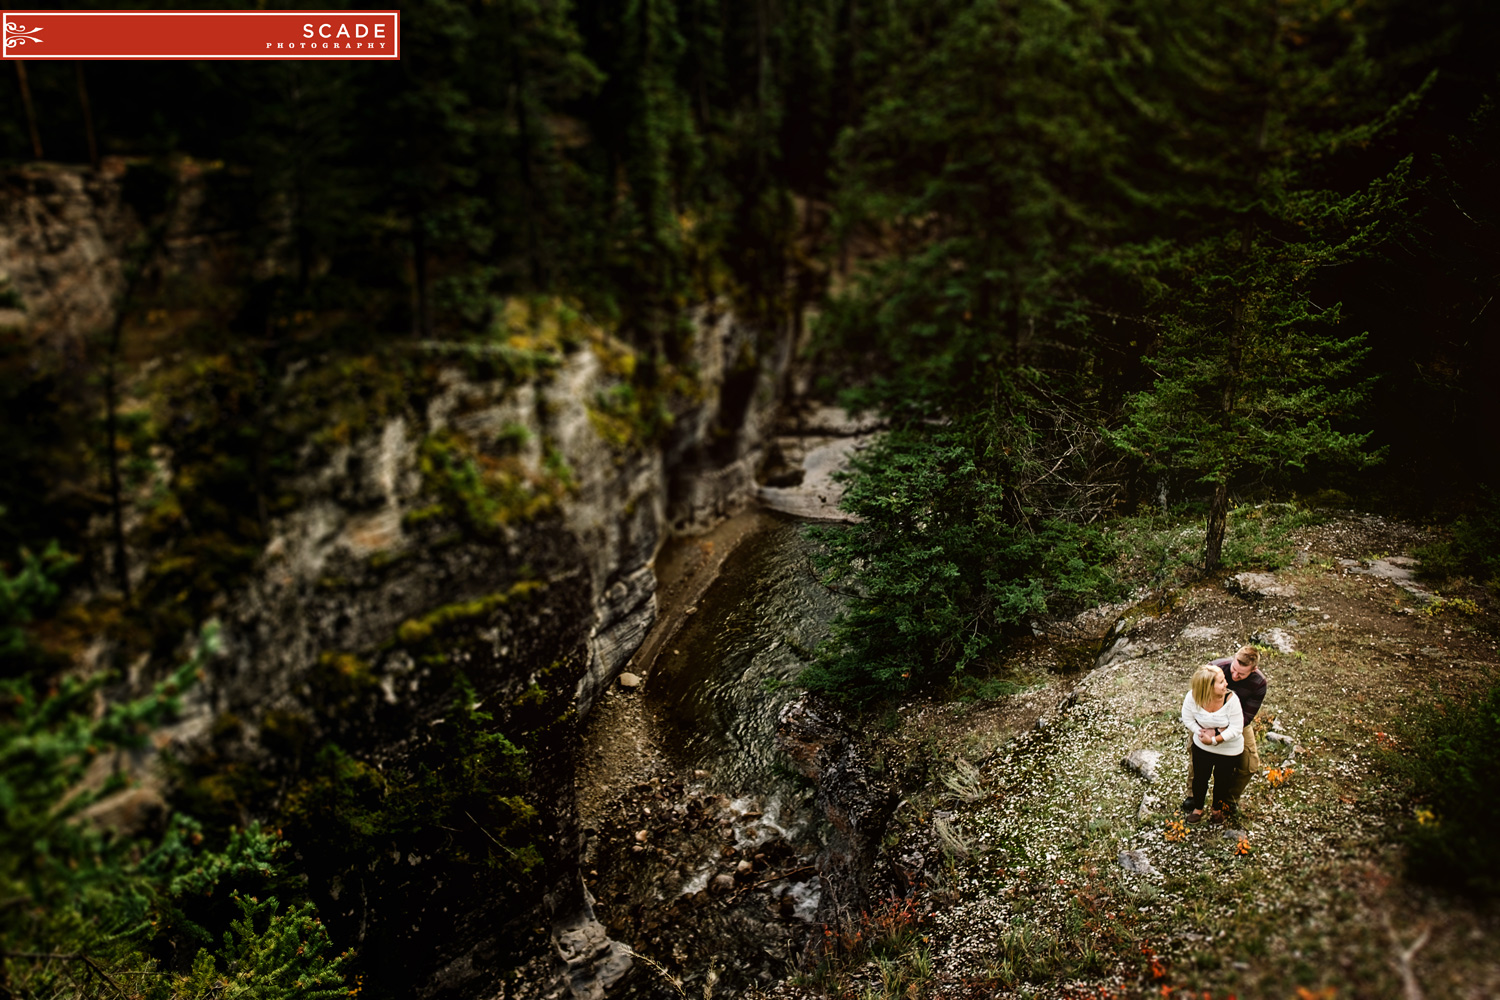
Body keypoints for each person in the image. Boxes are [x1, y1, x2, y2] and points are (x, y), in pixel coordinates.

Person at [1182, 645, 1267, 818]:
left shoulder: (1259, 683)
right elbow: (1197, 695)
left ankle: (1226, 800)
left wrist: (1218, 733)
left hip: (1238, 721)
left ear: (1254, 669)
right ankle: (1193, 796)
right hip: (1205, 718)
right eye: (1234, 669)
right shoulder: (1216, 668)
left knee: (1250, 764)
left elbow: (1246, 717)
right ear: (1233, 659)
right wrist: (1204, 731)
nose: (1234, 676)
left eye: (1241, 674)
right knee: (1196, 753)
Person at [1180, 663, 1244, 824]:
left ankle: (1217, 809)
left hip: (1229, 749)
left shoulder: (1231, 700)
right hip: (1202, 746)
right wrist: (1200, 732)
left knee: (1222, 781)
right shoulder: (1192, 697)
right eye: (1221, 682)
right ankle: (1198, 808)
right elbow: (1187, 719)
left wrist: (1214, 739)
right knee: (1200, 778)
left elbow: (1236, 728)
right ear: (1208, 687)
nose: (1226, 684)